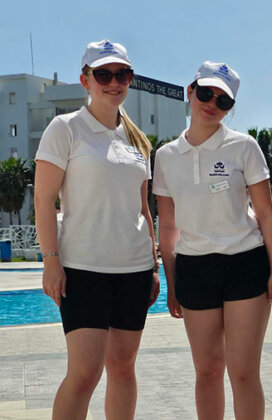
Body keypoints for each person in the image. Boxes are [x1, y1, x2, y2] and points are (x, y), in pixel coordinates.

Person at [34, 40, 160, 420]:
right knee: (85, 373)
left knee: (123, 369)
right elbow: (44, 201)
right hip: (84, 269)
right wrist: (51, 262)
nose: (113, 82)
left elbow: (144, 209)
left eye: (122, 74)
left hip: (134, 271)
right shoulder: (65, 128)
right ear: (85, 80)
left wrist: (153, 265)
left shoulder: (138, 141)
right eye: (103, 74)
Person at [153, 61, 272, 420]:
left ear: (231, 108)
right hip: (194, 268)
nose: (211, 103)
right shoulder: (165, 156)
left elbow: (266, 214)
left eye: (223, 100)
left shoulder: (244, 147)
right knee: (207, 372)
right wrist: (172, 282)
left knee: (243, 373)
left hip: (245, 263)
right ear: (190, 91)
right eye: (206, 93)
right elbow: (167, 227)